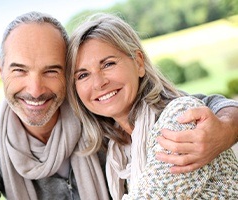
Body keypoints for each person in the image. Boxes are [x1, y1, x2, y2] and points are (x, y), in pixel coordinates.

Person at [0, 11, 238, 200]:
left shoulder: (102, 117)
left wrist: (226, 126)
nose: (35, 90)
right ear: (1, 69)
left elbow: (200, 105)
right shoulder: (106, 133)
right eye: (19, 70)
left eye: (51, 70)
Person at [66, 13, 238, 199]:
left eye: (108, 64)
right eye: (83, 75)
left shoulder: (179, 119)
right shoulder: (117, 150)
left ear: (139, 62)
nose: (98, 83)